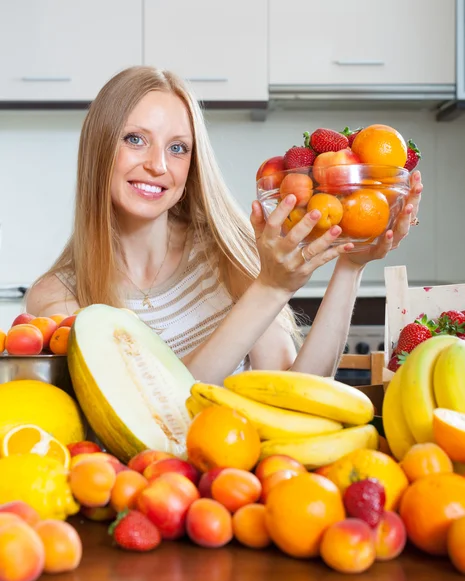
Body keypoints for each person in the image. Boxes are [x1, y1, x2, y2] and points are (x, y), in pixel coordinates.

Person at [26, 66, 422, 385]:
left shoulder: (222, 251)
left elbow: (297, 390)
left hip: (241, 476)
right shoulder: (58, 299)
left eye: (178, 148)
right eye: (135, 139)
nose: (158, 166)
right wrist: (270, 289)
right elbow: (157, 413)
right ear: (99, 148)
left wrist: (351, 267)